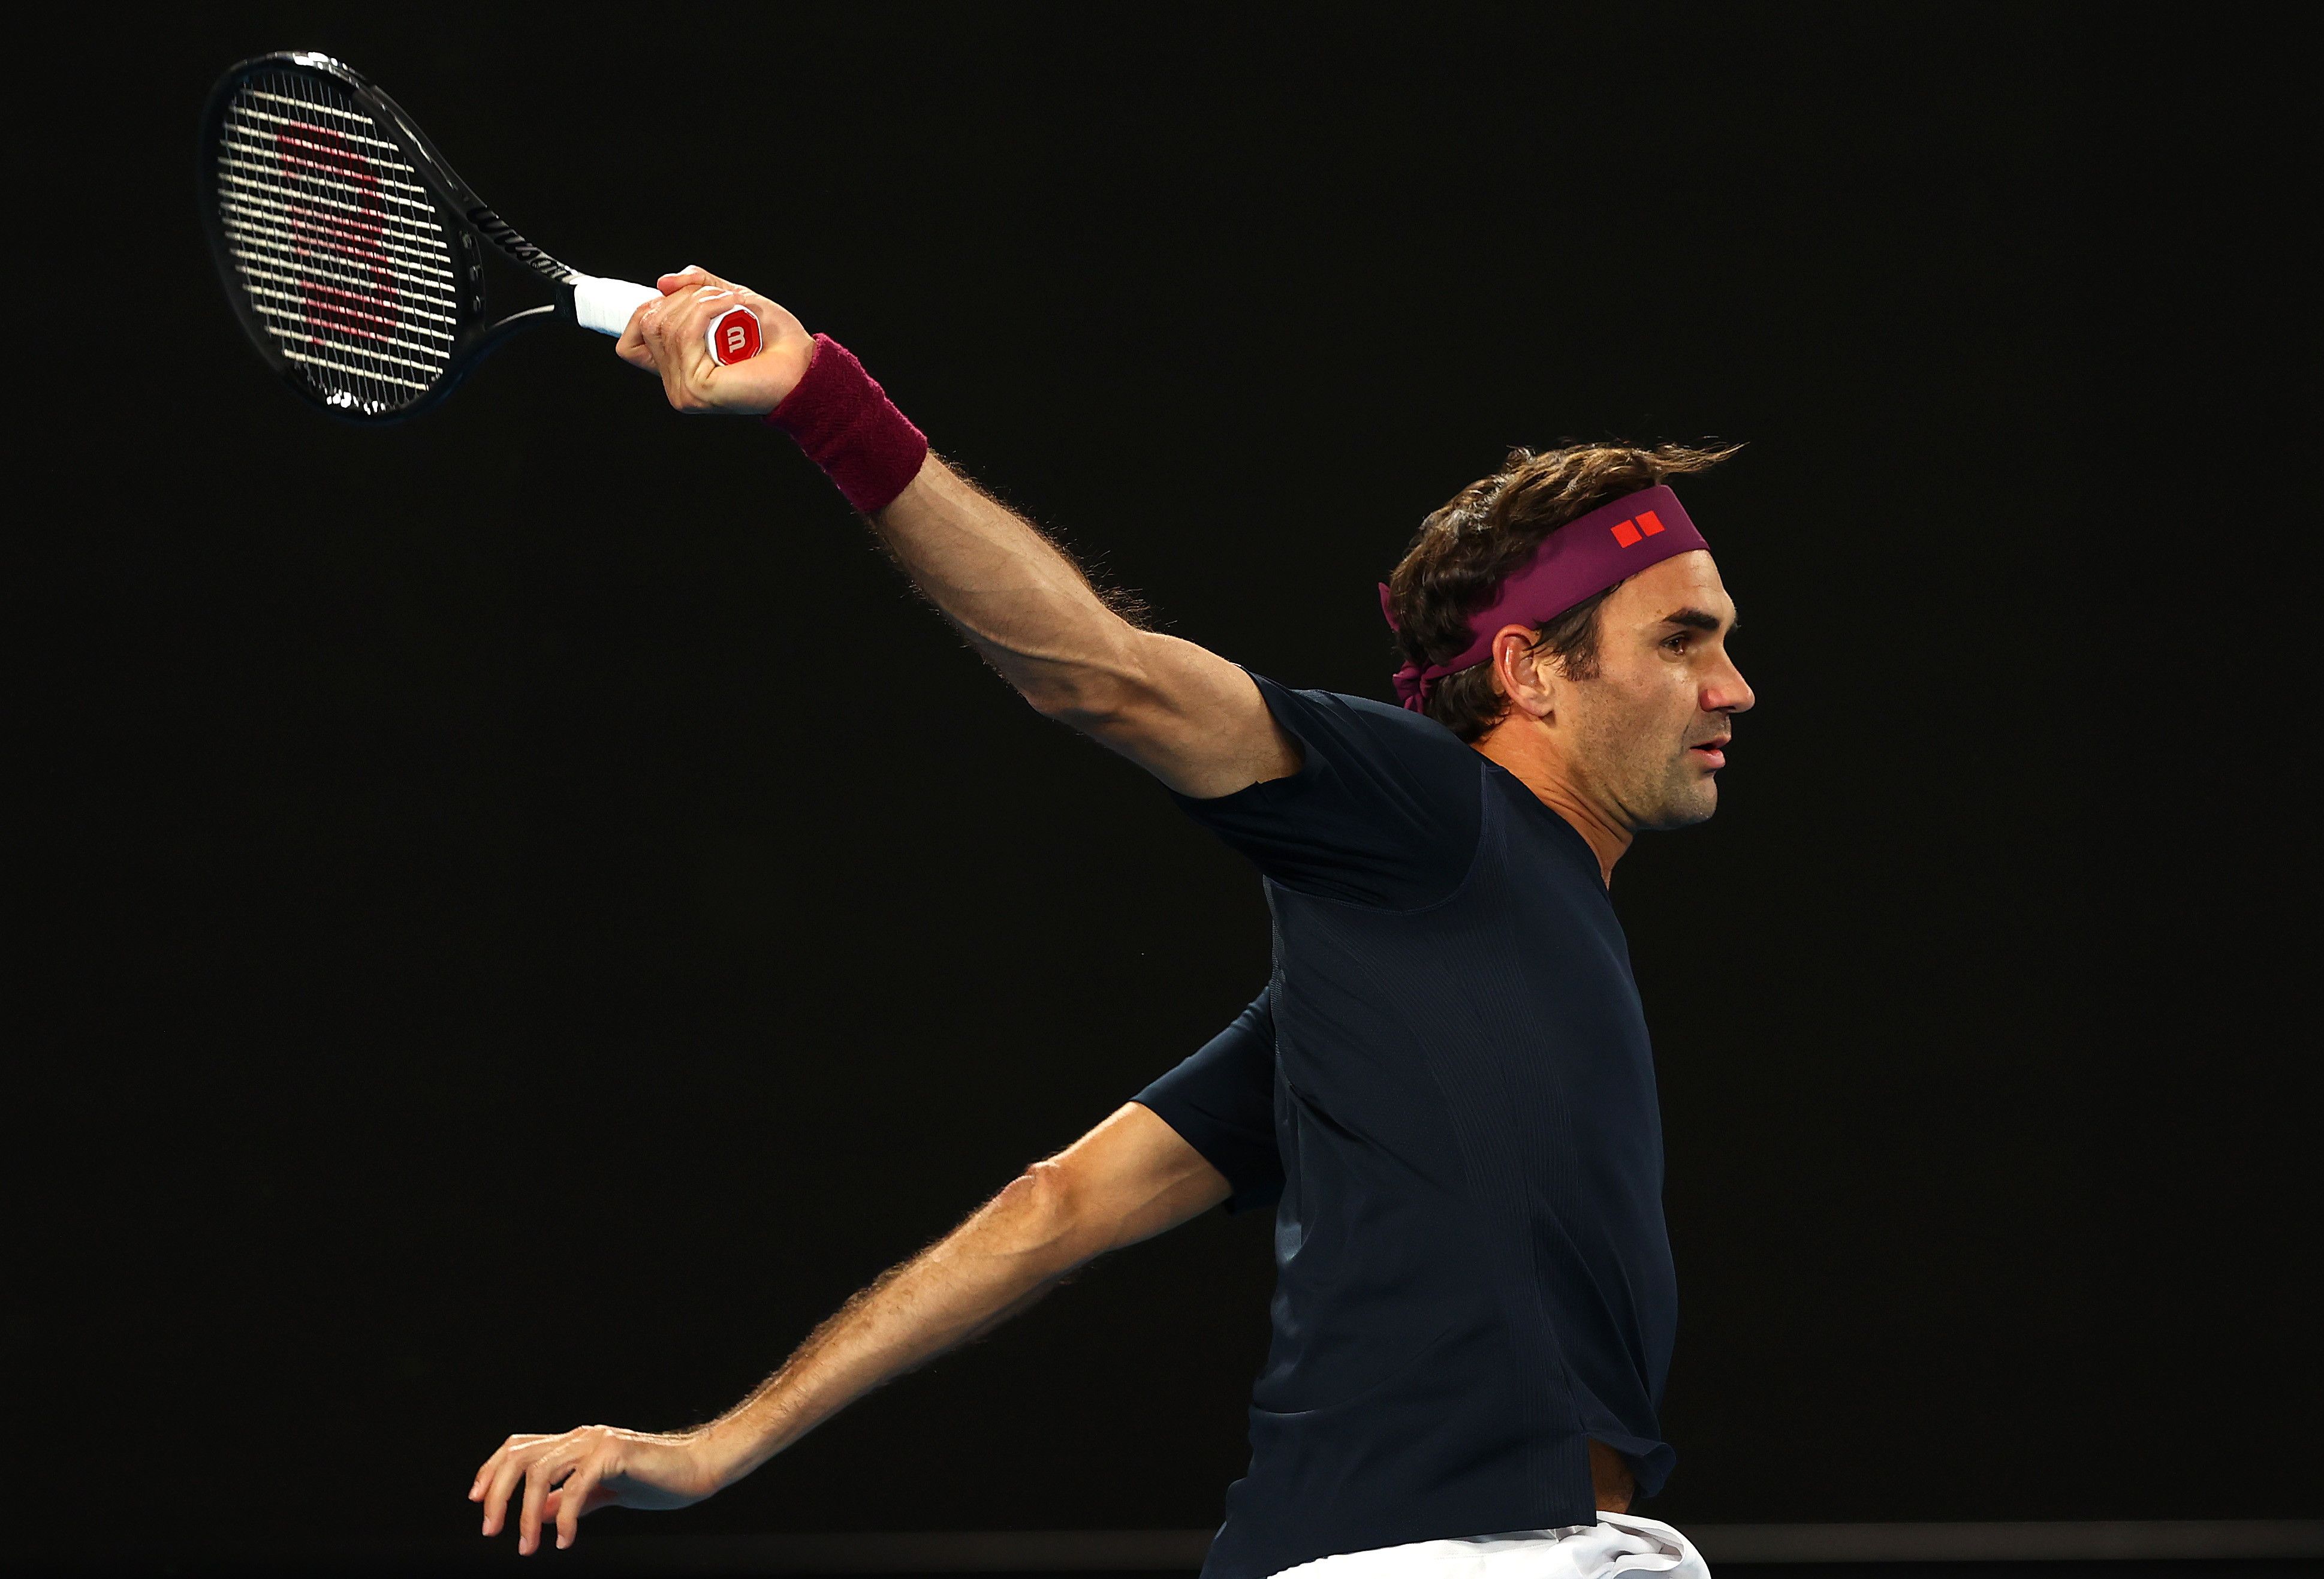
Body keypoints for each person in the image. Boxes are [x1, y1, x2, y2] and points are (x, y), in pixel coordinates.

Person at [471, 269, 1754, 1579]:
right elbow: (1101, 673)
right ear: (1530, 670)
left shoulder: (1417, 973)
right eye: (1682, 640)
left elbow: (1054, 1207)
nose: (1733, 686)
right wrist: (823, 397)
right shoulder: (1441, 816)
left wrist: (716, 1447)